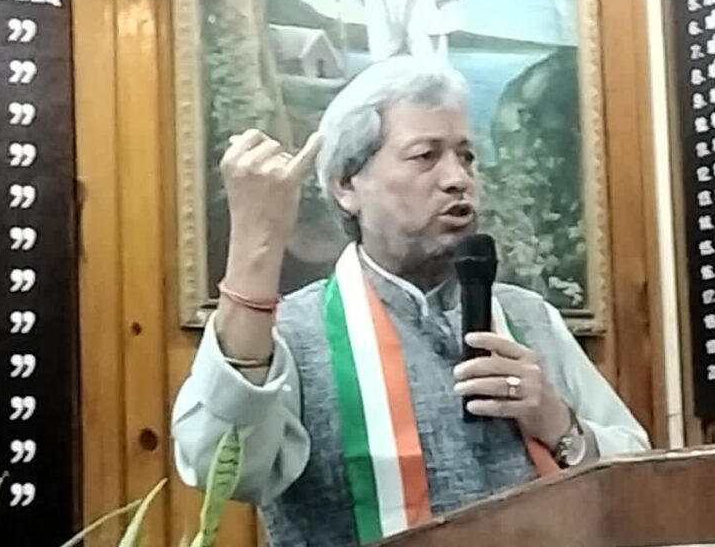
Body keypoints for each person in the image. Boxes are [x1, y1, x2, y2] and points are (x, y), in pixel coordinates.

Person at [170, 56, 649, 547]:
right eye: (425, 156)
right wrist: (253, 249)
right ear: (347, 185)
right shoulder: (290, 335)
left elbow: (639, 476)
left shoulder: (529, 316)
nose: (457, 178)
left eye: (466, 156)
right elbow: (218, 469)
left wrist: (556, 420)